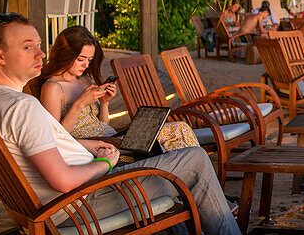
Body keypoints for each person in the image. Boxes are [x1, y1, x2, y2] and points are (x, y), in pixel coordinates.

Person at [0, 13, 285, 235]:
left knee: (159, 156)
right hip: (76, 208)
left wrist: (94, 147)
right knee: (194, 160)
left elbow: (52, 143)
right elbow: (62, 180)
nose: (40, 54)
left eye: (39, 45)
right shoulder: (22, 106)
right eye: (28, 47)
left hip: (46, 206)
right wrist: (104, 162)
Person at [28, 26, 199, 151]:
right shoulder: (53, 87)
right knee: (177, 131)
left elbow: (102, 125)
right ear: (65, 54)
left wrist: (104, 103)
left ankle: (186, 181)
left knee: (178, 129)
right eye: (81, 59)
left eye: (89, 59)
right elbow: (55, 138)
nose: (86, 65)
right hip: (100, 147)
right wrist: (79, 103)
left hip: (113, 137)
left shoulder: (85, 80)